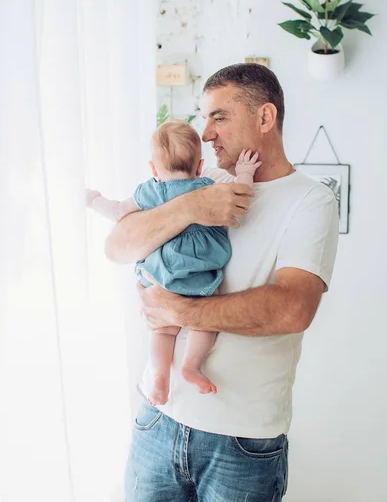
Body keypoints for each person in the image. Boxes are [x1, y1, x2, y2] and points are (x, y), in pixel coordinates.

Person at [105, 63, 339, 502]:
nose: (207, 134)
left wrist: (179, 311)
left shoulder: (312, 200)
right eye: (204, 117)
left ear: (265, 118)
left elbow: (292, 309)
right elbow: (116, 245)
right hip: (158, 418)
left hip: (243, 443)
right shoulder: (200, 181)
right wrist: (191, 208)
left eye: (219, 117)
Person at [87, 120, 260, 406]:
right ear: (200, 166)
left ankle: (160, 378)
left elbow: (118, 211)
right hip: (199, 274)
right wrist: (244, 172)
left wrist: (94, 201)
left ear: (154, 169)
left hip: (161, 274)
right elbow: (241, 200)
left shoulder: (150, 191)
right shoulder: (207, 186)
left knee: (161, 329)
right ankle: (191, 366)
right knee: (206, 320)